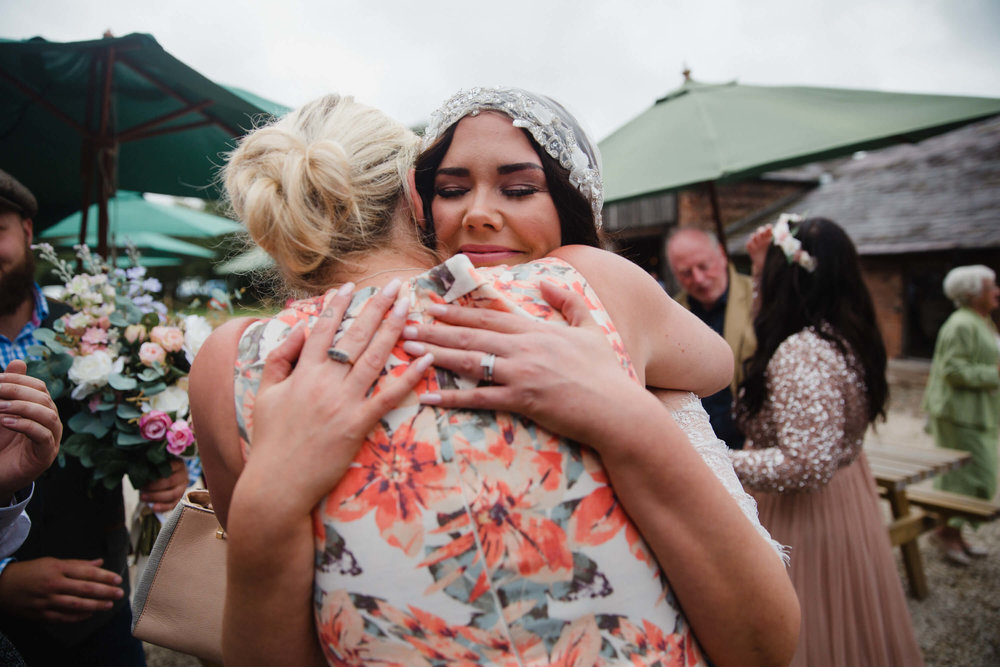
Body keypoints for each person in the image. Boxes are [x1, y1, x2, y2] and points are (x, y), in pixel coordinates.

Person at [191, 90, 798, 666]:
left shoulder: (232, 364)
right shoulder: (581, 285)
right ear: (416, 194)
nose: (482, 214)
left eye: (517, 188)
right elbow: (713, 365)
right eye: (457, 187)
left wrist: (271, 500)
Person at [0, 169, 188, 666]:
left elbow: (140, 426)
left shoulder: (101, 329)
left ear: (27, 231)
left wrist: (166, 462)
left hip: (101, 614)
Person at [729, 215, 923, 666]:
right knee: (848, 627)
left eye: (770, 273)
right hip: (847, 494)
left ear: (788, 276)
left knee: (807, 633)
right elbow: (770, 317)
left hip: (804, 516)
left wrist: (714, 457)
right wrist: (761, 266)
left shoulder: (802, 352)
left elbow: (805, 466)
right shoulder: (845, 334)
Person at [922, 264, 1000, 565]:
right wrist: (994, 374)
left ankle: (956, 533)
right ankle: (945, 533)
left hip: (977, 412)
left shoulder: (982, 321)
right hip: (958, 414)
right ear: (971, 293)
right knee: (963, 479)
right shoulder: (960, 325)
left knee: (975, 479)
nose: (996, 291)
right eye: (990, 286)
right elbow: (953, 371)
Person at [665, 227, 755, 449]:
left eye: (704, 266)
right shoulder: (671, 312)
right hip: (703, 444)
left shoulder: (758, 297)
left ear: (722, 255)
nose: (699, 279)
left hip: (752, 442)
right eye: (686, 273)